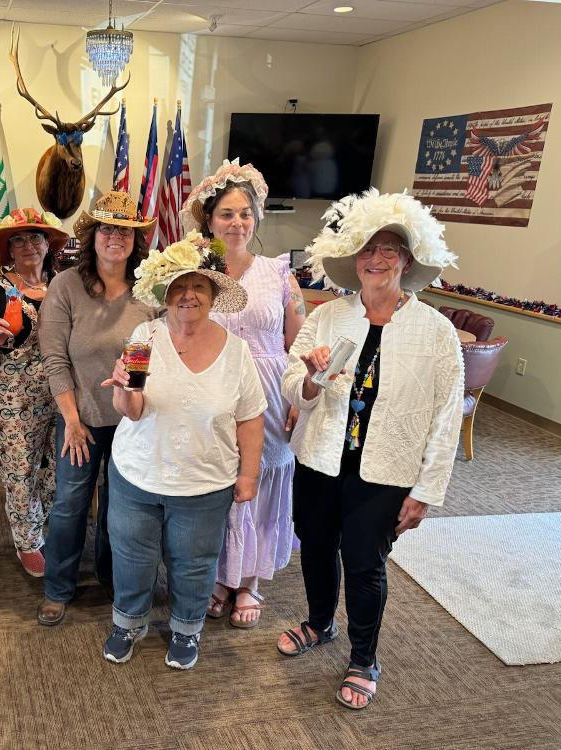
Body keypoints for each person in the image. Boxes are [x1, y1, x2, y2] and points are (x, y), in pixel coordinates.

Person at [277, 189, 463, 709]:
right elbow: (294, 384)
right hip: (319, 457)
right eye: (367, 249)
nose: (377, 259)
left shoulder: (436, 333)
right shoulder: (328, 317)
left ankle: (364, 658)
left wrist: (427, 490)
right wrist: (311, 381)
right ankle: (319, 623)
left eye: (389, 250)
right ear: (354, 259)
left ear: (406, 260)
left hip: (385, 470)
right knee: (313, 545)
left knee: (363, 561)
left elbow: (447, 419)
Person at [100, 231, 266, 670]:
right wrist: (122, 390)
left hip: (204, 481)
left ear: (212, 294)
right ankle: (127, 622)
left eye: (198, 286)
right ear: (165, 294)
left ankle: (187, 628)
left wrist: (248, 475)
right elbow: (131, 409)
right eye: (178, 286)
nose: (188, 295)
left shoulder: (237, 352)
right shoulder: (144, 334)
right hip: (138, 473)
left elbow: (251, 417)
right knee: (132, 555)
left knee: (193, 564)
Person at [181, 159, 306, 629]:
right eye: (226, 214)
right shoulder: (195, 274)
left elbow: (300, 340)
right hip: (213, 389)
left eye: (245, 213)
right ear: (209, 222)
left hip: (269, 391)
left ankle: (249, 578)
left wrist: (297, 395)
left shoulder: (278, 274)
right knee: (217, 479)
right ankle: (218, 573)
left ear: (256, 219)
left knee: (261, 475)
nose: (237, 223)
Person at [36, 191, 156, 626]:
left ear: (135, 239)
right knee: (70, 502)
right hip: (80, 418)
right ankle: (57, 587)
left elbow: (160, 353)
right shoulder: (65, 286)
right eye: (107, 228)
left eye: (125, 230)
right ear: (92, 235)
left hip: (135, 422)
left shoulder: (149, 289)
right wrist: (70, 420)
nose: (115, 237)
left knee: (120, 507)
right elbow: (54, 358)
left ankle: (110, 577)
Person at [0, 208, 69, 577]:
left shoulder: (63, 283)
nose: (29, 245)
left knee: (57, 467)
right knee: (20, 468)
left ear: (48, 245)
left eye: (36, 238)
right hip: (15, 397)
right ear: (9, 251)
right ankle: (27, 539)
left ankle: (39, 519)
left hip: (62, 393)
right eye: (19, 240)